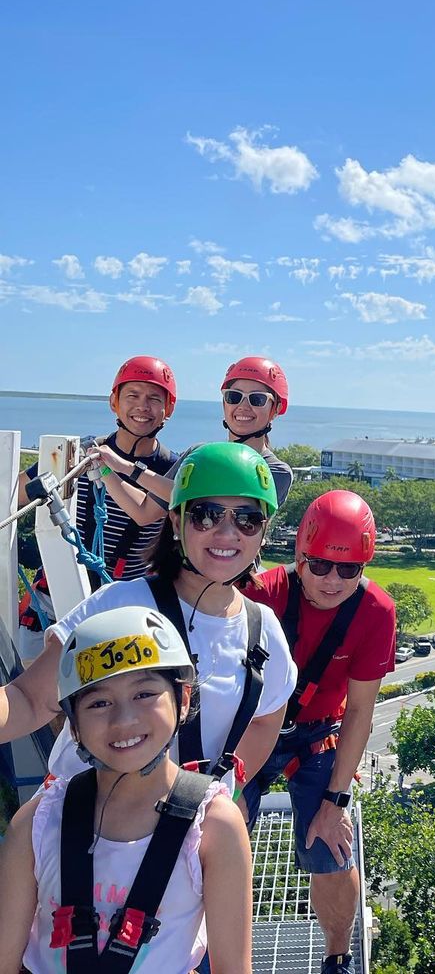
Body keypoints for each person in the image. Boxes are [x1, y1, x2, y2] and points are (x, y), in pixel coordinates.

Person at [0, 441, 297, 798]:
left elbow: (266, 717)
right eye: (206, 514)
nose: (227, 533)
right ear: (176, 520)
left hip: (183, 830)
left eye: (248, 519)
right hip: (80, 821)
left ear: (263, 532)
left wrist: (228, 790)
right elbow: (29, 700)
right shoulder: (121, 604)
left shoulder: (262, 632)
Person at [0, 605, 253, 974]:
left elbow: (233, 967)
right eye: (99, 703)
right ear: (74, 726)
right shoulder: (39, 822)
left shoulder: (214, 827)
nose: (125, 719)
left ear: (182, 700)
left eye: (144, 694)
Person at [242, 490, 396, 974]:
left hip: (319, 732)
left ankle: (337, 955)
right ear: (299, 557)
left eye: (348, 569)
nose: (333, 580)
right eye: (321, 565)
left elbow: (360, 713)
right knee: (215, 837)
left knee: (328, 847)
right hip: (252, 726)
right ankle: (211, 950)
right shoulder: (262, 594)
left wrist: (337, 801)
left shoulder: (374, 611)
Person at [17, 355, 180, 594]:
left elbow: (145, 513)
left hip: (125, 599)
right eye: (132, 395)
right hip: (55, 593)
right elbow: (15, 494)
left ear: (168, 409)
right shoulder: (76, 453)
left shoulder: (170, 469)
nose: (143, 406)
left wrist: (108, 468)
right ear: (114, 402)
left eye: (154, 398)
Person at [94, 356, 293, 525]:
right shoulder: (198, 455)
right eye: (234, 396)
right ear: (224, 402)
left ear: (275, 409)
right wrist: (104, 467)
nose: (243, 406)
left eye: (257, 399)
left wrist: (128, 467)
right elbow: (143, 512)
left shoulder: (274, 471)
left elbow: (206, 501)